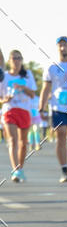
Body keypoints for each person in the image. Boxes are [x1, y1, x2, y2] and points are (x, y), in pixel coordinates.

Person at [39, 36, 67, 183]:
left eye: (65, 45)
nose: (62, 47)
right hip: (58, 108)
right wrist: (41, 107)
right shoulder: (52, 67)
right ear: (57, 48)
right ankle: (64, 171)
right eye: (60, 45)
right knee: (61, 135)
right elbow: (46, 89)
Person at [0, 50, 36, 182]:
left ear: (22, 60)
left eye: (19, 58)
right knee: (13, 140)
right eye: (14, 58)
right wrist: (5, 100)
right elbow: (0, 98)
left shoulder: (27, 75)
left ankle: (20, 169)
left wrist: (23, 87)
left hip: (24, 110)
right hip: (9, 110)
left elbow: (32, 94)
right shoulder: (4, 76)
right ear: (9, 61)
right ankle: (16, 170)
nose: (16, 61)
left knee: (23, 144)